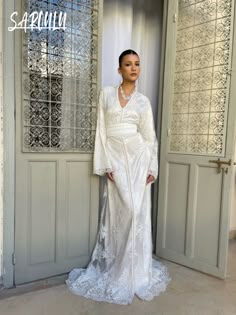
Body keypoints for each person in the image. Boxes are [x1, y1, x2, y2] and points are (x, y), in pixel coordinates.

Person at [66, 49, 171, 305]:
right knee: (121, 214)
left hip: (138, 160)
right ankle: (118, 266)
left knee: (137, 212)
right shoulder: (106, 95)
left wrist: (151, 168)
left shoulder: (143, 102)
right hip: (115, 161)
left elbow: (149, 138)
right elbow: (101, 130)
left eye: (137, 64)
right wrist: (104, 164)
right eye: (128, 64)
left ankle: (136, 271)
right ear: (119, 69)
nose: (134, 68)